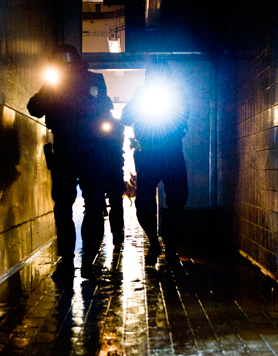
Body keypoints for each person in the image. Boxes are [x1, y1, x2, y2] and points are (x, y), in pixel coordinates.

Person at [27, 44, 114, 278]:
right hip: (73, 151)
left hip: (83, 150)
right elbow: (34, 108)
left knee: (86, 207)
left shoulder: (92, 80)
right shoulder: (60, 83)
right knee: (72, 208)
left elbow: (104, 110)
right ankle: (74, 263)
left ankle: (81, 263)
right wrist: (52, 89)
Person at [120, 59, 190, 265]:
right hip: (150, 154)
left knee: (177, 200)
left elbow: (184, 116)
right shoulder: (141, 94)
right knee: (144, 202)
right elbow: (125, 117)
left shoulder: (176, 93)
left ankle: (170, 248)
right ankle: (154, 243)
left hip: (170, 153)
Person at [99, 116, 126, 248]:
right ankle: (117, 235)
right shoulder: (117, 125)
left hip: (102, 168)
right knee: (116, 204)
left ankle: (115, 235)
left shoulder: (93, 121)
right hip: (113, 169)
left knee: (97, 204)